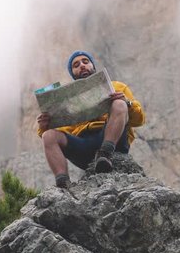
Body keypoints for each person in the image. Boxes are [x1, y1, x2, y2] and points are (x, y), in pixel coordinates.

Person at [36, 50, 145, 188]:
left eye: (85, 62)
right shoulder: (69, 101)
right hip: (83, 146)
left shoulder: (117, 86)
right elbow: (55, 133)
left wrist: (127, 103)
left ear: (93, 66)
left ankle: (105, 154)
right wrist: (44, 126)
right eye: (76, 65)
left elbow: (139, 120)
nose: (82, 65)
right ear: (73, 73)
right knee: (48, 136)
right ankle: (63, 183)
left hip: (114, 140)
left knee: (119, 104)